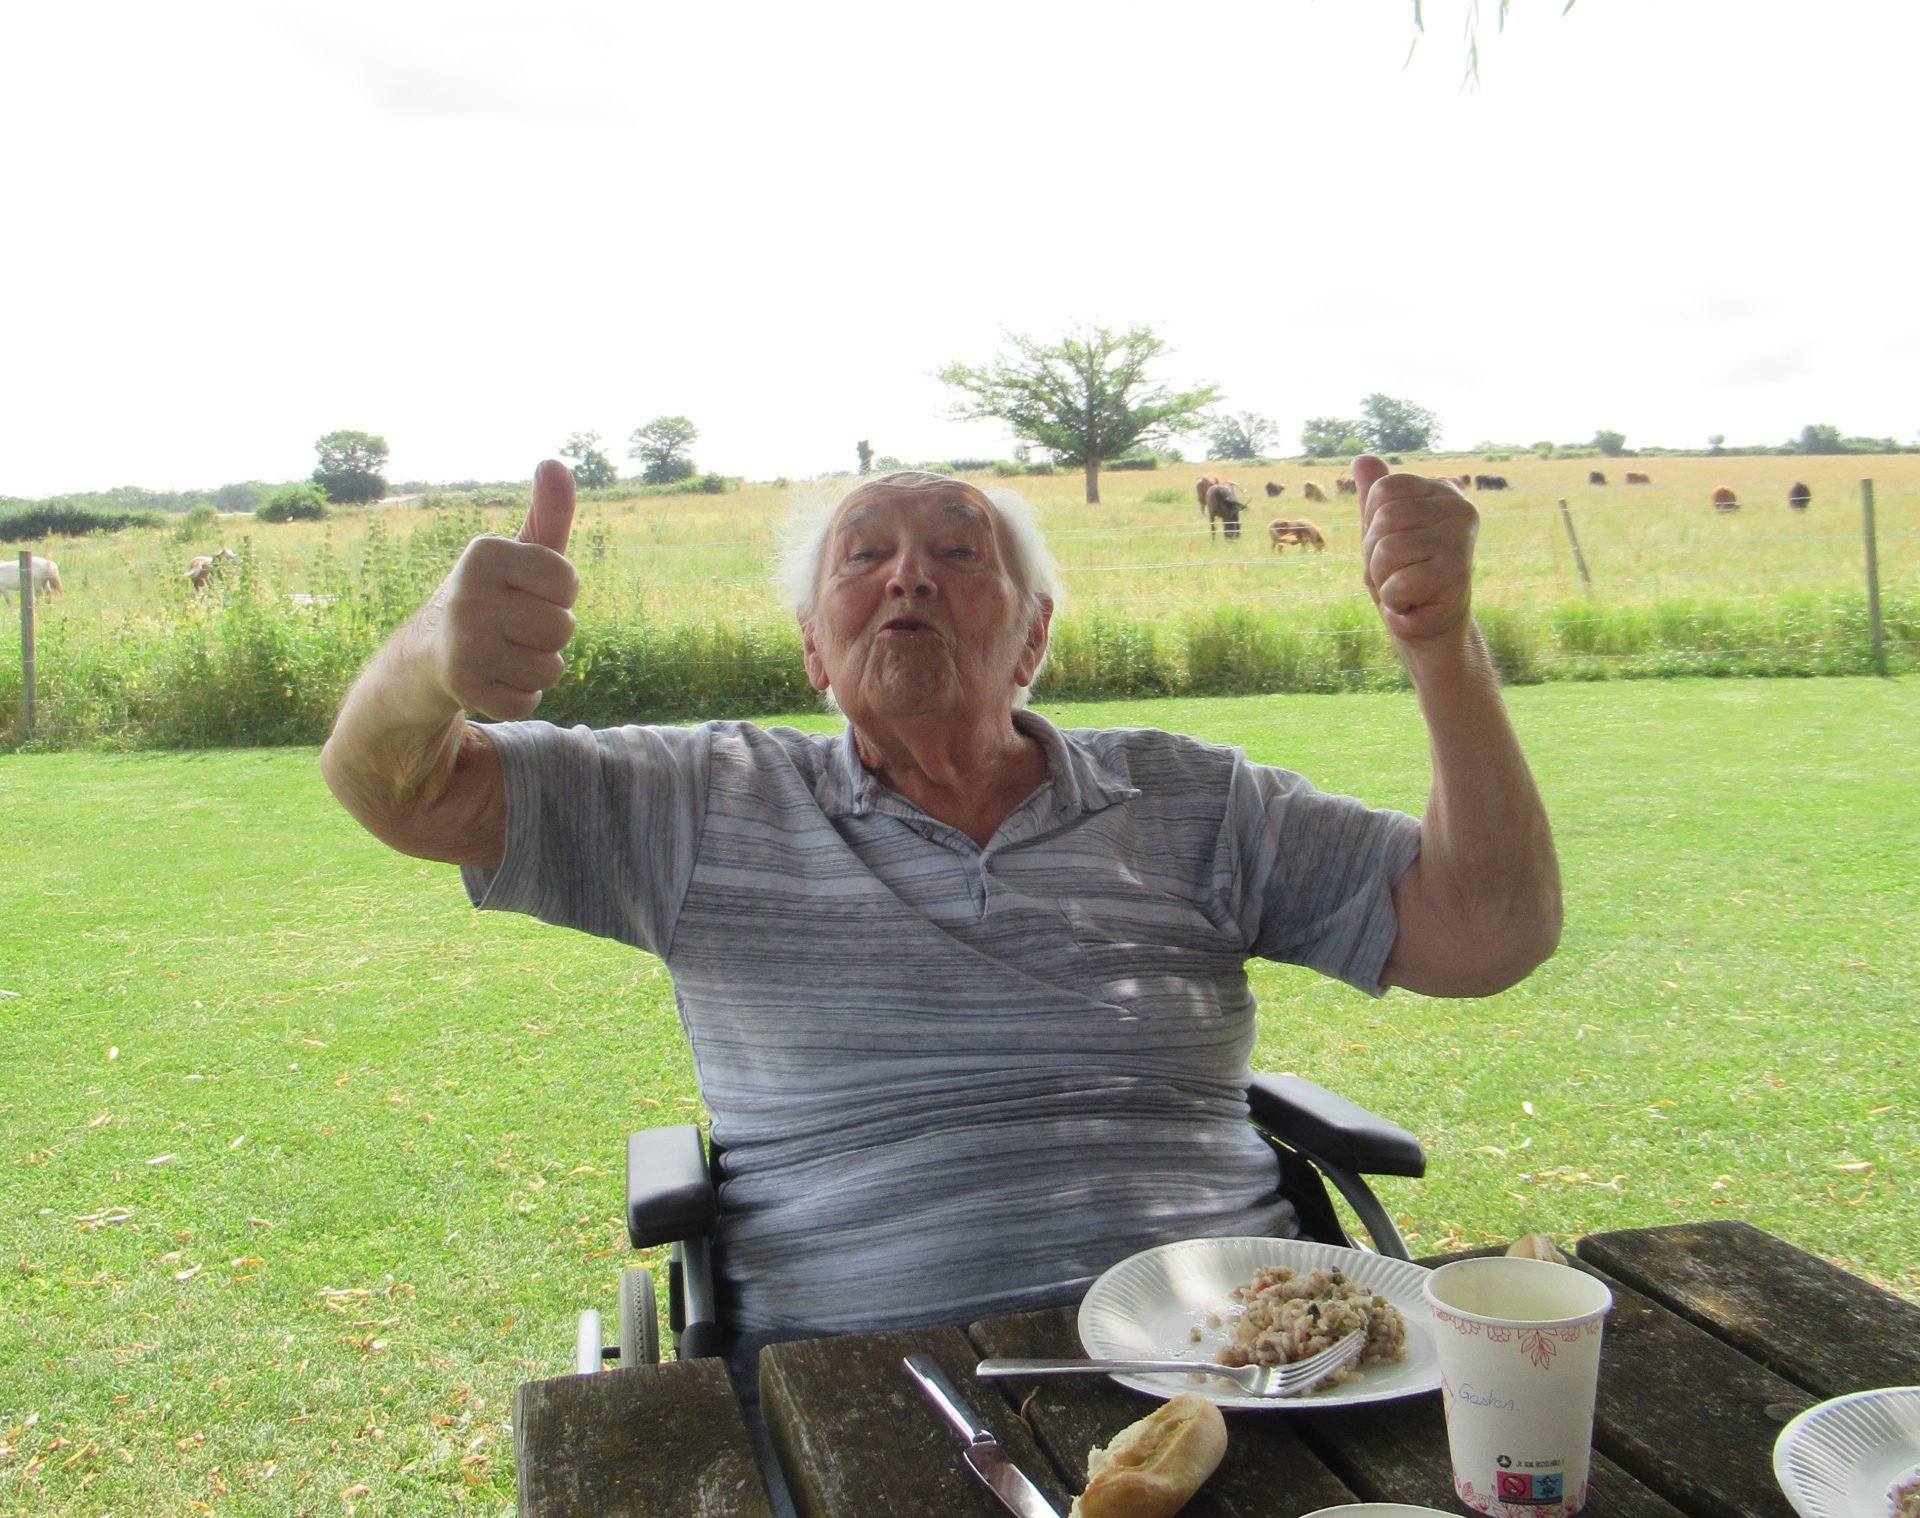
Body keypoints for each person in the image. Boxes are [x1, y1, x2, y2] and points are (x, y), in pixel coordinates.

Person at [320, 456, 1559, 1377]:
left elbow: (1487, 929)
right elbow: (400, 787)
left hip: (1234, 1357)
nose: (908, 574)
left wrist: (1441, 647)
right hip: (872, 1388)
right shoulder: (703, 802)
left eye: (960, 555)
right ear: (815, 647)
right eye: (862, 557)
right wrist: (431, 659)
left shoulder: (1194, 800)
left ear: (1034, 634)